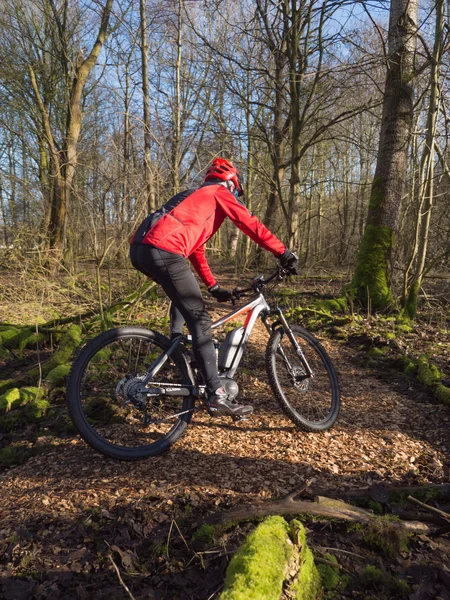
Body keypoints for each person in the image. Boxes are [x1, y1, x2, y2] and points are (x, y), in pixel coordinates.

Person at [130, 157, 298, 417]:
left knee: (183, 299)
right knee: (201, 321)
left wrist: (213, 286)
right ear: (232, 183)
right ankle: (216, 395)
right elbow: (249, 223)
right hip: (165, 249)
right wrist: (282, 252)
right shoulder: (219, 192)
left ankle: (180, 354)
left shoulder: (193, 197)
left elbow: (195, 248)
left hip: (141, 250)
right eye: (236, 190)